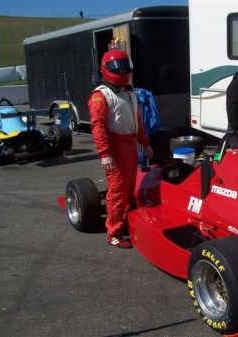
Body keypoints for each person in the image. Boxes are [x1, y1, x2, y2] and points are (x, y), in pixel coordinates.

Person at [88, 49, 153, 249]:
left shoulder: (130, 93)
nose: (123, 71)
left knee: (129, 187)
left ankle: (125, 222)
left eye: (126, 67)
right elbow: (97, 126)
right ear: (107, 70)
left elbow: (138, 121)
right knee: (117, 190)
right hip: (115, 148)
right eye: (120, 68)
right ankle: (114, 232)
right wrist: (105, 154)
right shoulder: (101, 95)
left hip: (131, 145)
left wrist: (145, 142)